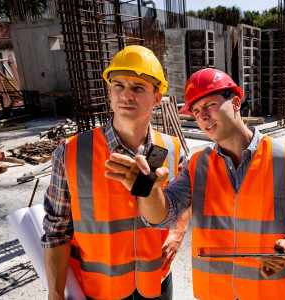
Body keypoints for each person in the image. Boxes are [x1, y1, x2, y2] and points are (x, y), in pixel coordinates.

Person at [105, 68, 285, 299]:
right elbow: (162, 219)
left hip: (270, 291)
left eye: (210, 104)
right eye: (196, 111)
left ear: (236, 103)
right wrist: (147, 192)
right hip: (216, 293)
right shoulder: (197, 165)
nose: (203, 116)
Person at [42, 45, 191, 300]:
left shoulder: (170, 147)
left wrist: (177, 234)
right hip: (100, 289)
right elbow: (57, 230)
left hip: (156, 281)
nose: (126, 95)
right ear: (109, 92)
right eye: (118, 85)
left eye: (138, 87)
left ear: (157, 97)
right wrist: (55, 293)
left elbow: (186, 198)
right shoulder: (72, 152)